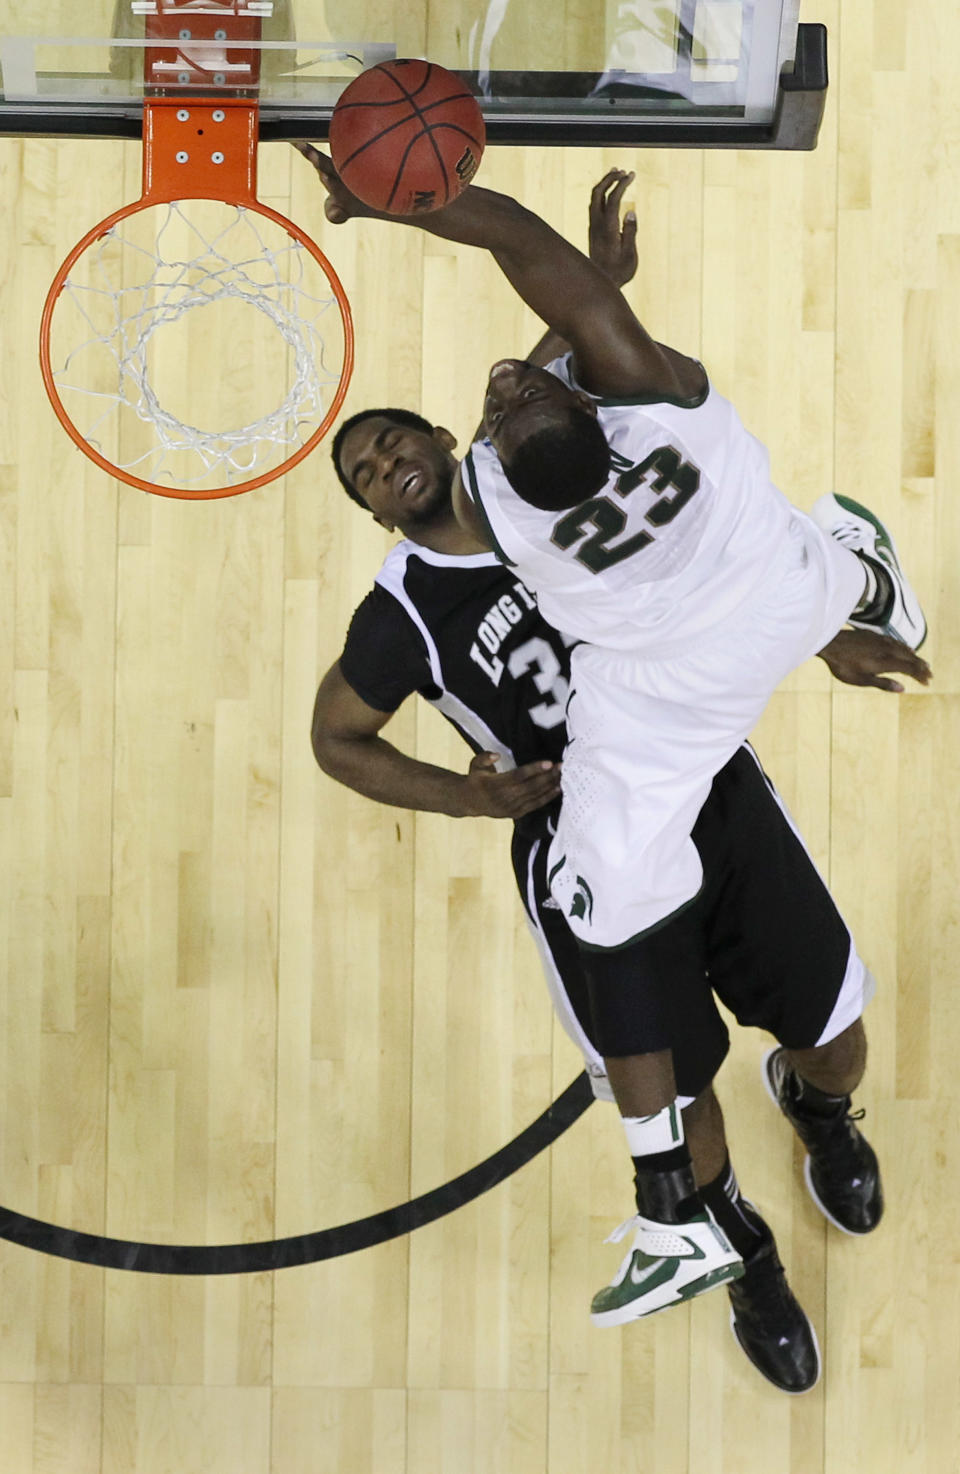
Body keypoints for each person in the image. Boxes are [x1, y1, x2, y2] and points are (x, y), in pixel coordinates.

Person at [309, 174, 931, 1391]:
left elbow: (705, 588)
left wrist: (817, 624)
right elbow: (338, 741)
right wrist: (471, 799)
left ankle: (818, 1110)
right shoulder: (400, 617)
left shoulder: (532, 470)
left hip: (694, 770)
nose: (385, 464)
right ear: (374, 512)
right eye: (365, 472)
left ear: (452, 441)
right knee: (671, 1087)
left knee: (839, 1036)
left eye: (393, 440)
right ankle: (733, 1248)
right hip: (574, 817)